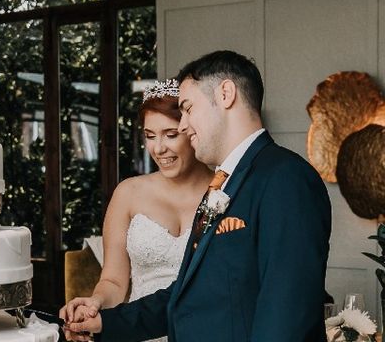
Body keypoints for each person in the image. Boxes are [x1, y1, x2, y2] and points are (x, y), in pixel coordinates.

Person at [65, 50, 331, 342]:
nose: (182, 124)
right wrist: (106, 323)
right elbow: (190, 296)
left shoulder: (285, 178)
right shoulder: (223, 186)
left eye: (188, 108)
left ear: (226, 94)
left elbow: (286, 314)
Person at [60, 80, 213, 342]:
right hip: (138, 332)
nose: (158, 148)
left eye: (171, 134)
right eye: (150, 136)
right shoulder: (128, 193)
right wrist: (95, 302)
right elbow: (115, 282)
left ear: (192, 130)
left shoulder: (225, 189)